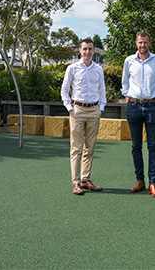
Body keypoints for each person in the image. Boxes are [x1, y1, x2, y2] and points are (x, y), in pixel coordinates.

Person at [121, 31, 155, 198]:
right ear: (136, 43)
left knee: (152, 147)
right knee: (136, 146)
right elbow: (124, 82)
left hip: (152, 107)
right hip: (134, 106)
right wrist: (128, 96)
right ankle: (139, 181)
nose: (143, 45)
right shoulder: (129, 61)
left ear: (150, 43)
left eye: (145, 42)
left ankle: (152, 183)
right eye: (140, 42)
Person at [61, 38, 107, 195]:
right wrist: (70, 108)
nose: (87, 52)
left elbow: (102, 90)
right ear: (80, 51)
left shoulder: (98, 70)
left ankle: (85, 179)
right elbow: (64, 90)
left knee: (90, 147)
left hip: (94, 111)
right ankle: (76, 183)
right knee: (76, 149)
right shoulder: (72, 69)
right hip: (77, 111)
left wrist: (100, 108)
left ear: (94, 51)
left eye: (90, 49)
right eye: (84, 49)